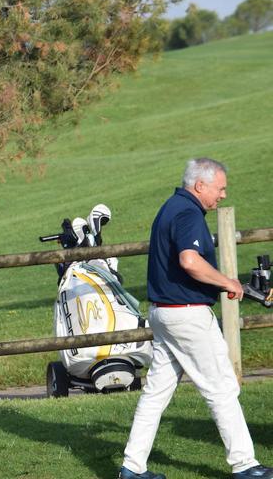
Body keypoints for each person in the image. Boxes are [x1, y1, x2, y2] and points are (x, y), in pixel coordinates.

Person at [119, 158, 272, 479]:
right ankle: (245, 466)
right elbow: (189, 261)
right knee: (222, 388)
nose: (223, 195)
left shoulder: (170, 207)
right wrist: (227, 281)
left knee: (156, 393)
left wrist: (220, 282)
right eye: (220, 188)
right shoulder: (188, 213)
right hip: (186, 316)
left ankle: (132, 468)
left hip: (162, 313)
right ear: (200, 185)